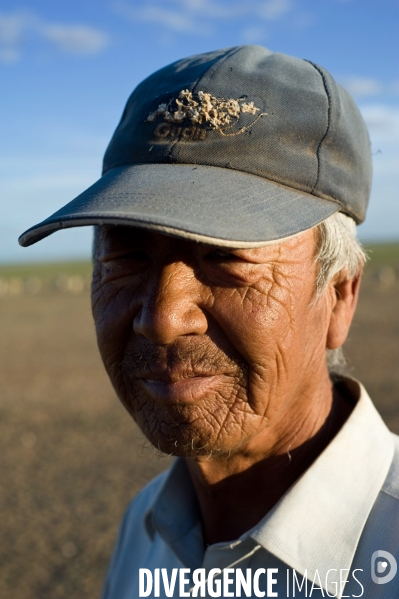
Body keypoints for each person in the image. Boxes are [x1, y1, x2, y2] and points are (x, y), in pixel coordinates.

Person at [19, 45, 399, 598]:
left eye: (225, 257)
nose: (162, 319)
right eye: (126, 258)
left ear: (339, 297)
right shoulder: (146, 525)